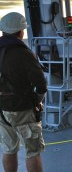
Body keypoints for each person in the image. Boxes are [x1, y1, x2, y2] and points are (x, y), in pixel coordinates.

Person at [0, 12, 47, 172]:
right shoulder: (23, 53)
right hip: (20, 109)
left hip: (1, 110)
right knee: (33, 151)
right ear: (21, 32)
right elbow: (41, 84)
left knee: (9, 148)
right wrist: (37, 101)